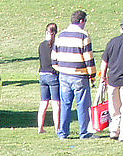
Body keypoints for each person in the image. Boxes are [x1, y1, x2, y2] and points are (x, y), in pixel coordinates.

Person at [52, 9, 96, 139]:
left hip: (64, 74)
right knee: (82, 105)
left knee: (65, 104)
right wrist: (92, 75)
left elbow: (54, 57)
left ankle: (63, 132)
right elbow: (89, 58)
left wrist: (60, 69)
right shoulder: (83, 36)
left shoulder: (61, 35)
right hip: (79, 75)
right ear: (81, 21)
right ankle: (84, 132)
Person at [37, 22, 60, 133]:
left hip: (42, 75)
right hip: (52, 75)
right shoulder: (56, 46)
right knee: (56, 103)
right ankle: (57, 128)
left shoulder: (41, 45)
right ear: (55, 33)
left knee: (44, 102)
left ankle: (40, 127)